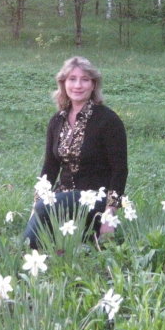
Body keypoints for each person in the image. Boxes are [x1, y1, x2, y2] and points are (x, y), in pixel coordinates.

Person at [24, 56, 128, 249]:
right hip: (61, 199)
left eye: (84, 79)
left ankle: (29, 248)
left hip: (94, 200)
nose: (78, 85)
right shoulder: (57, 120)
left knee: (37, 231)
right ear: (63, 84)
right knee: (41, 239)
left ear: (93, 85)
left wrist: (110, 214)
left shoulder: (108, 120)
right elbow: (50, 168)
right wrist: (36, 205)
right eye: (72, 79)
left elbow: (119, 170)